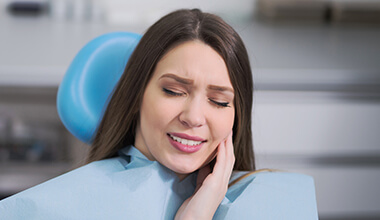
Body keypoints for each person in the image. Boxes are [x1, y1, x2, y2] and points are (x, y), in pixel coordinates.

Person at [0, 9, 318, 219]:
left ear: (237, 117)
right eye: (174, 91)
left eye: (220, 101)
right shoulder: (58, 208)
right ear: (137, 94)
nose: (194, 117)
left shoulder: (269, 201)